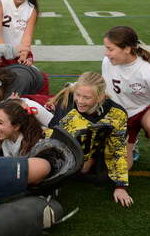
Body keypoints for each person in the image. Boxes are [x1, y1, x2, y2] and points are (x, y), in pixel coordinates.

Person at [102, 26, 150, 186]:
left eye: (110, 49)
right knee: (124, 168)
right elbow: (109, 93)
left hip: (145, 110)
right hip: (123, 114)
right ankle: (132, 144)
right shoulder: (107, 62)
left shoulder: (148, 71)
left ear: (127, 49)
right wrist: (119, 125)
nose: (106, 53)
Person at [48, 72, 133, 207]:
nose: (80, 101)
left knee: (112, 173)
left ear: (101, 97)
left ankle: (132, 144)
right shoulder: (67, 105)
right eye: (78, 95)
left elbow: (116, 149)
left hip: (102, 146)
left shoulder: (117, 113)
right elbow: (53, 138)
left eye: (86, 97)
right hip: (77, 145)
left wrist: (120, 186)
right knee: (79, 168)